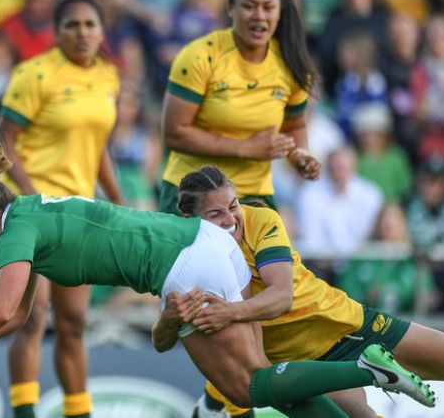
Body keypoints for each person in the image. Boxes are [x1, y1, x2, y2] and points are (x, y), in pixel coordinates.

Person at [0, 136, 436, 418]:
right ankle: (369, 373)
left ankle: (368, 369)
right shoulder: (31, 219)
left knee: (244, 389)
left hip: (184, 265)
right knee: (271, 379)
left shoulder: (16, 227)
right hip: (202, 247)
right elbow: (12, 314)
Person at [172, 165, 444, 418]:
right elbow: (166, 337)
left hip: (343, 326)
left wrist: (228, 313)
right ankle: (212, 406)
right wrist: (168, 319)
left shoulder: (261, 219)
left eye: (233, 206)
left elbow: (281, 297)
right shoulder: (186, 257)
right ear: (189, 219)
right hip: (302, 366)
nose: (231, 219)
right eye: (215, 214)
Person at [0, 0, 123, 418]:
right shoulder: (35, 74)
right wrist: (33, 198)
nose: (82, 32)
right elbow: (4, 139)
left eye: (90, 24)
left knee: (74, 325)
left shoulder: (108, 77)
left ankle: (77, 411)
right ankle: (25, 413)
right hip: (35, 213)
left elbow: (98, 146)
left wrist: (119, 201)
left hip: (80, 214)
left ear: (102, 31)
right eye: (72, 24)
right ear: (57, 31)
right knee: (31, 318)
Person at [159, 0, 320, 215]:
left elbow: (294, 126)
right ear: (231, 8)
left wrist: (300, 155)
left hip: (255, 198)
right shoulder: (200, 56)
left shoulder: (291, 63)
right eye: (249, 6)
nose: (259, 16)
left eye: (268, 7)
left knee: (279, 255)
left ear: (280, 10)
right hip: (192, 195)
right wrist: (246, 147)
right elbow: (174, 134)